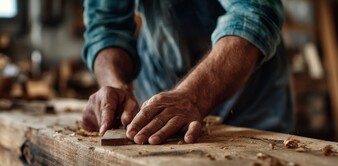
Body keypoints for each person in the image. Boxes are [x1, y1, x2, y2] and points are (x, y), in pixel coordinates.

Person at [82, 0, 293, 145]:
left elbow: (253, 13)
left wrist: (193, 96)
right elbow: (106, 25)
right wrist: (116, 85)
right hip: (159, 82)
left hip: (250, 95)